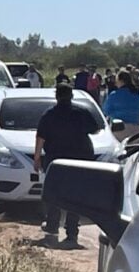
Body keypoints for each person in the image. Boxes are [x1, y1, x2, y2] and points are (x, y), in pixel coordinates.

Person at [34, 84, 99, 247]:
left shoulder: (49, 115)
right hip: (80, 159)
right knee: (75, 196)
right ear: (71, 96)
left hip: (56, 160)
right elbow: (95, 129)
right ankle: (72, 234)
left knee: (54, 193)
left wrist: (37, 158)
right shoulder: (81, 113)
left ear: (57, 96)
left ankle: (52, 227)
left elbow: (40, 137)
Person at [103, 70, 139, 141]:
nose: (115, 83)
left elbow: (106, 111)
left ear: (121, 81)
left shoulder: (114, 95)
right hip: (135, 129)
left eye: (117, 80)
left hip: (118, 129)